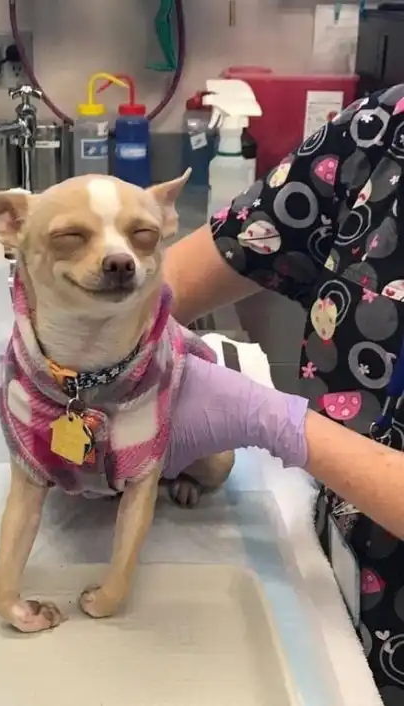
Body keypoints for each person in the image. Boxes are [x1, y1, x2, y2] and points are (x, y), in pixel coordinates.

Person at [163, 84, 404, 704]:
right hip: (330, 587)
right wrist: (67, 341)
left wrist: (279, 423)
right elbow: (207, 261)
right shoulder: (382, 133)